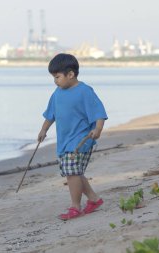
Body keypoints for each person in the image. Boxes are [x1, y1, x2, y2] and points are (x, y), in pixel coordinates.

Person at [37, 53, 108, 220]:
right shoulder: (57, 93)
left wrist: (98, 129)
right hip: (64, 140)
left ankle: (75, 207)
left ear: (71, 74)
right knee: (74, 172)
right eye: (54, 77)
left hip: (81, 140)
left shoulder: (85, 91)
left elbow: (99, 112)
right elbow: (50, 115)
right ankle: (94, 199)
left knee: (72, 173)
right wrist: (43, 130)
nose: (55, 81)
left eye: (57, 77)